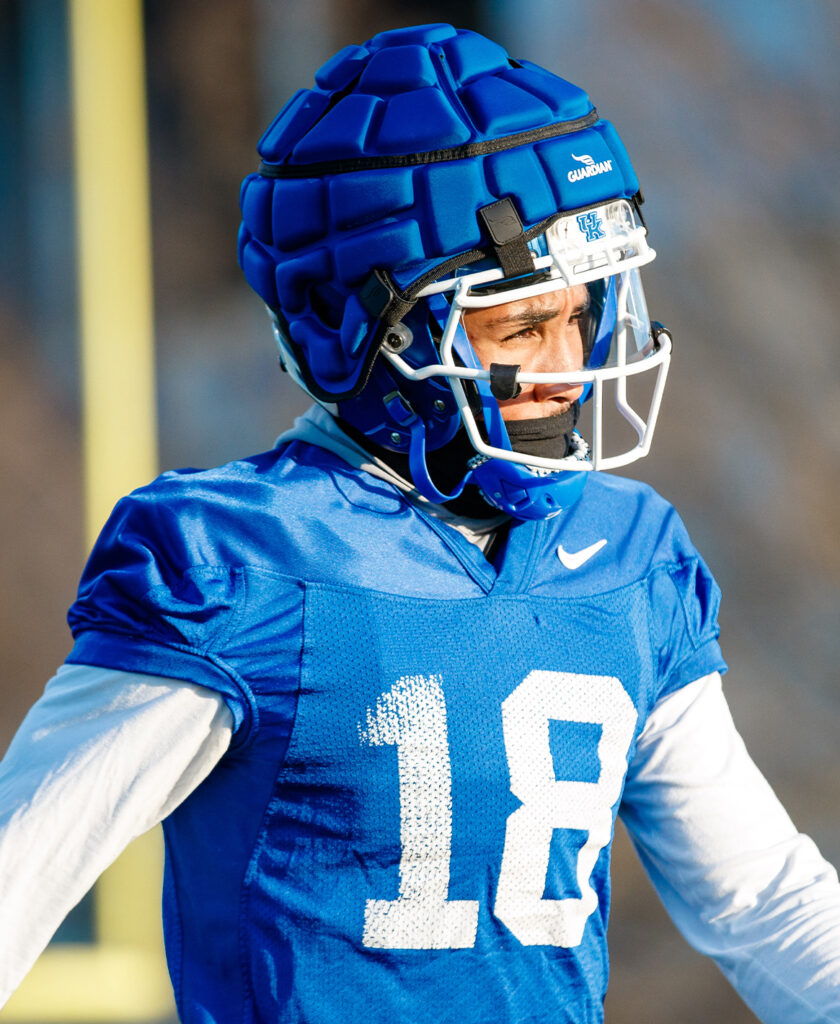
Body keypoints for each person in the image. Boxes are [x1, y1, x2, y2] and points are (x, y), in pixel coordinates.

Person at [1, 21, 839, 1024]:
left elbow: (762, 902)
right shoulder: (246, 566)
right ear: (367, 328)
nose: (570, 362)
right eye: (520, 324)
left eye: (581, 312)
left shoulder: (628, 560)